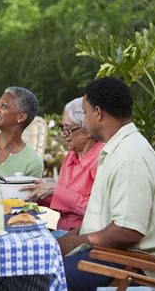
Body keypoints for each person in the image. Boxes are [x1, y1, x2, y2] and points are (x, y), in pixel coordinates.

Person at [58, 77, 155, 290]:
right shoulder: (120, 147)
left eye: (85, 113)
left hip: (134, 264)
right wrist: (73, 235)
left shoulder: (130, 156)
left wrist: (76, 242)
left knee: (45, 275)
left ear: (98, 112)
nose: (84, 119)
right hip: (113, 254)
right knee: (41, 262)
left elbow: (128, 231)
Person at [20, 98, 103, 232]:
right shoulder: (71, 156)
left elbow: (98, 212)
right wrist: (37, 194)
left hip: (85, 236)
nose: (63, 135)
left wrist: (55, 190)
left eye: (68, 129)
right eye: (62, 128)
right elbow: (64, 204)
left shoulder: (101, 158)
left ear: (88, 129)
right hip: (61, 231)